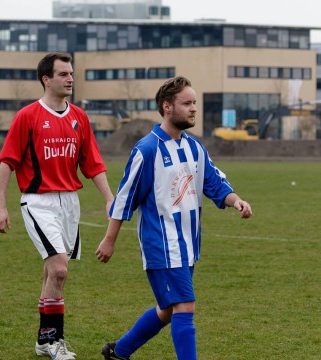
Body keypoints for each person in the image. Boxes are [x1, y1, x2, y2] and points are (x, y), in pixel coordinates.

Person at [95, 76, 253, 360]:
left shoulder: (194, 147)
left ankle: (119, 351)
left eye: (195, 103)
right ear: (167, 106)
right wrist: (109, 240)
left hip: (188, 245)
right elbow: (125, 198)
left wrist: (235, 200)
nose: (194, 109)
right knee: (185, 306)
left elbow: (214, 183)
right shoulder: (147, 149)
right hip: (162, 245)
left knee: (168, 309)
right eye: (187, 103)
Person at [0, 52, 114, 360]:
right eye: (63, 74)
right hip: (38, 202)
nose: (70, 78)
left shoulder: (79, 117)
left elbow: (93, 164)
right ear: (46, 79)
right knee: (59, 269)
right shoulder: (28, 116)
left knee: (53, 272)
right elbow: (7, 162)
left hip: (70, 203)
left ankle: (42, 341)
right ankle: (51, 340)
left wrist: (110, 199)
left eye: (71, 73)